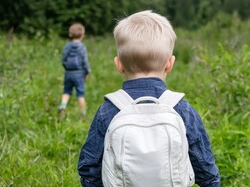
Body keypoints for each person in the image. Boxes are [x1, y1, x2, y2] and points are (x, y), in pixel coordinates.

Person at [78, 10, 220, 186]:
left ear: (119, 65)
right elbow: (205, 168)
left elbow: (89, 166)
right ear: (169, 64)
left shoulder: (108, 110)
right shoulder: (182, 109)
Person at [58, 23, 91, 119]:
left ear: (70, 34)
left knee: (66, 91)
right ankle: (83, 114)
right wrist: (87, 72)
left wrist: (67, 68)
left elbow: (63, 59)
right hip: (79, 73)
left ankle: (62, 106)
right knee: (80, 94)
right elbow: (85, 61)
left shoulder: (67, 46)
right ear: (82, 35)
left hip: (68, 73)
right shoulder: (82, 47)